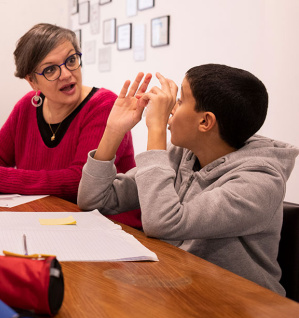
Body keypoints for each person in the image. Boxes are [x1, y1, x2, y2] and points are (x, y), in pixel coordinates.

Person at [77, 64, 299, 295]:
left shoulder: (260, 181)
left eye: (181, 101)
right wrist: (114, 129)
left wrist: (156, 130)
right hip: (181, 284)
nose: (171, 108)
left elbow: (162, 223)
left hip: (242, 306)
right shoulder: (183, 154)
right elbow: (93, 199)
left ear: (205, 122)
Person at [0, 23, 137, 210]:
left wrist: (1, 178)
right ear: (32, 81)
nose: (66, 74)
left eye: (71, 60)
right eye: (50, 69)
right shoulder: (28, 105)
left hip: (109, 224)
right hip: (47, 216)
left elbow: (79, 180)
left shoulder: (104, 105)